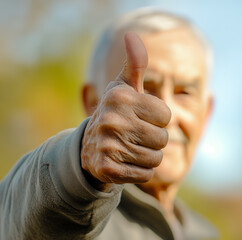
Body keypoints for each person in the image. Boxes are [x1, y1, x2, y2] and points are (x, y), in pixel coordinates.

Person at [0, 8, 216, 240]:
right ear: (94, 103)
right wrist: (79, 164)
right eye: (146, 89)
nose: (167, 114)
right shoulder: (78, 215)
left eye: (184, 92)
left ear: (206, 115)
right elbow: (14, 216)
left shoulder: (205, 233)